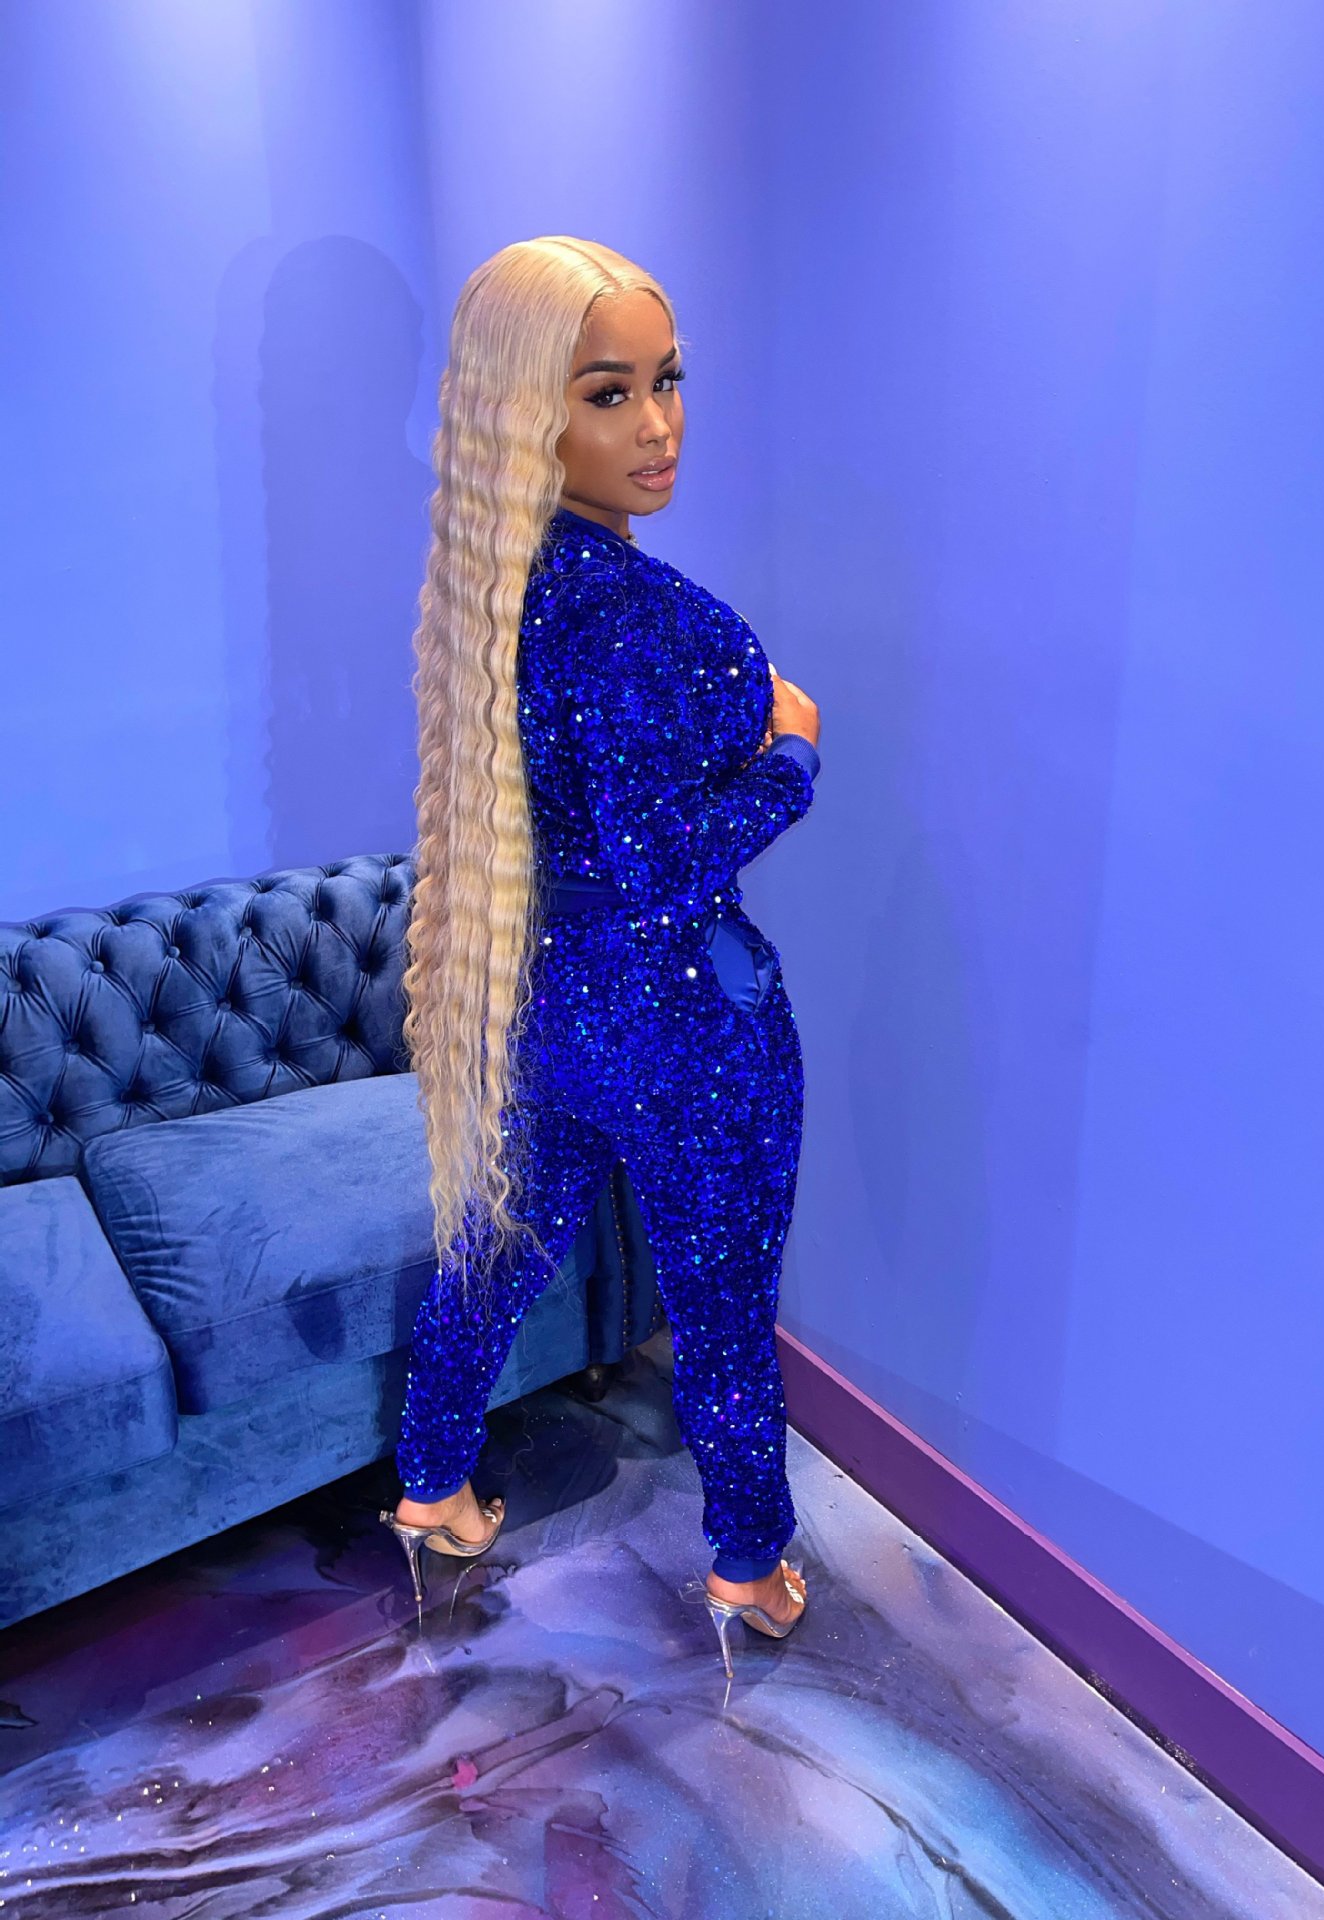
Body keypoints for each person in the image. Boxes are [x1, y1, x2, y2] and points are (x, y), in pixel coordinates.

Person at [378, 237, 821, 1670]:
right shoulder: (639, 614)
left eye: (668, 381)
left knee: (496, 1249)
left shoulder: (490, 584)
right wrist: (793, 755)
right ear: (531, 411)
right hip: (689, 1019)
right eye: (609, 393)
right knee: (722, 1305)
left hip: (550, 1000)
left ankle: (433, 1488)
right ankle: (748, 1567)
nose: (659, 426)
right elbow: (658, 865)